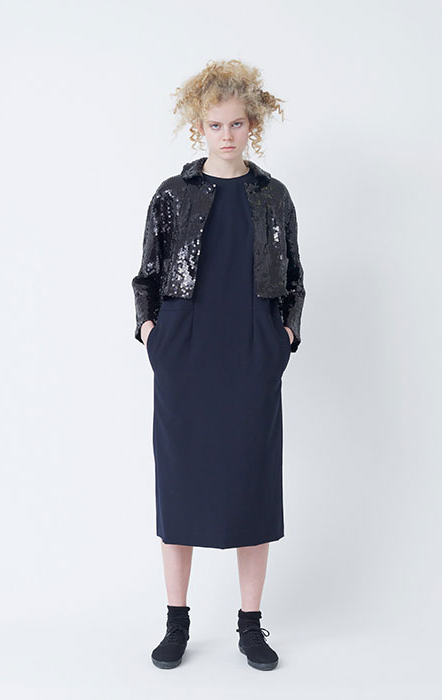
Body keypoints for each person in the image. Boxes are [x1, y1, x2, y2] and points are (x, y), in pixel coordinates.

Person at [131, 59, 306, 671]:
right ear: (198, 127)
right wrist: (151, 332)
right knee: (179, 487)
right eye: (214, 124)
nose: (226, 135)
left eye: (236, 123)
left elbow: (293, 279)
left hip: (251, 355)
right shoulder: (173, 195)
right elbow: (148, 275)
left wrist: (284, 336)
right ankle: (176, 622)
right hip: (186, 356)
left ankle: (250, 625)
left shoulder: (273, 197)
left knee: (251, 486)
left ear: (253, 124)